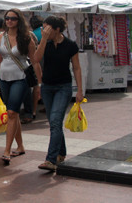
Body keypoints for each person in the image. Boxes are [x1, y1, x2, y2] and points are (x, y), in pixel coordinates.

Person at [35, 15, 83, 172]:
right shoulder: (46, 44)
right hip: (47, 86)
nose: (44, 30)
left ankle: (51, 159)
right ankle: (61, 152)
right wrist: (43, 40)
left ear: (57, 29)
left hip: (63, 87)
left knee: (55, 121)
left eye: (47, 27)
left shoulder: (70, 45)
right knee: (54, 122)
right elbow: (36, 59)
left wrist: (80, 90)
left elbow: (76, 67)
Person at [0, 9, 42, 165]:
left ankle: (7, 150)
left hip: (20, 78)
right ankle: (20, 146)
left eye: (13, 19)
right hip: (4, 78)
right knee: (13, 114)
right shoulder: (1, 37)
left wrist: (40, 84)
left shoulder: (26, 38)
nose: (9, 21)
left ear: (19, 20)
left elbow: (34, 61)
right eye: (7, 18)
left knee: (12, 112)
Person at [21, 15, 45, 123]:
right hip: (40, 63)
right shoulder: (42, 32)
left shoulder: (32, 34)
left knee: (31, 88)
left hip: (30, 64)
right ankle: (34, 111)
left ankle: (30, 111)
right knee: (37, 86)